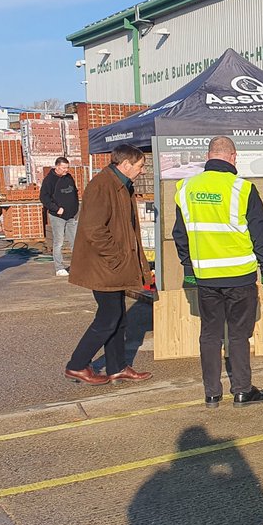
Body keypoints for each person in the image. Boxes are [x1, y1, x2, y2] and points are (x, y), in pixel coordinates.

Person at [173, 136, 263, 409]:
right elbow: (261, 233)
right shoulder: (242, 188)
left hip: (206, 276)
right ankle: (242, 391)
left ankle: (212, 394)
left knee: (210, 333)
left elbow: (180, 235)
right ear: (232, 157)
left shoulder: (185, 188)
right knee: (239, 335)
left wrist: (189, 268)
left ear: (209, 156)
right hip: (239, 275)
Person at [64, 144, 153, 386]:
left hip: (112, 266)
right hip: (104, 266)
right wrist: (117, 257)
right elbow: (94, 229)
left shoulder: (121, 184)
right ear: (125, 165)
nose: (142, 171)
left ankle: (117, 367)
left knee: (119, 317)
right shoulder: (102, 186)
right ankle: (77, 364)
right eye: (140, 166)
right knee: (108, 318)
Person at [40, 156, 80, 276]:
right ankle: (59, 267)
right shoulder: (49, 180)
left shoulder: (68, 177)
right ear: (57, 167)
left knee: (75, 242)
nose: (66, 170)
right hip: (58, 216)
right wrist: (56, 209)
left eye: (67, 168)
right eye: (63, 168)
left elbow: (74, 192)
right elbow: (44, 197)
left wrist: (75, 207)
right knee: (59, 242)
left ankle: (77, 266)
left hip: (71, 215)